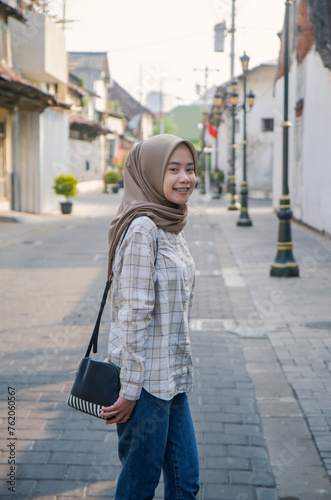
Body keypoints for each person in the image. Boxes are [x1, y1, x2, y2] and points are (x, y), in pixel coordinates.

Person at [100, 134, 199, 500]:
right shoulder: (144, 228)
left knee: (186, 483)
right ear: (150, 173)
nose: (185, 177)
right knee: (139, 487)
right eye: (172, 169)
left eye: (189, 169)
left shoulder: (171, 224)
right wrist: (128, 392)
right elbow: (132, 313)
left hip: (172, 380)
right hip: (144, 387)